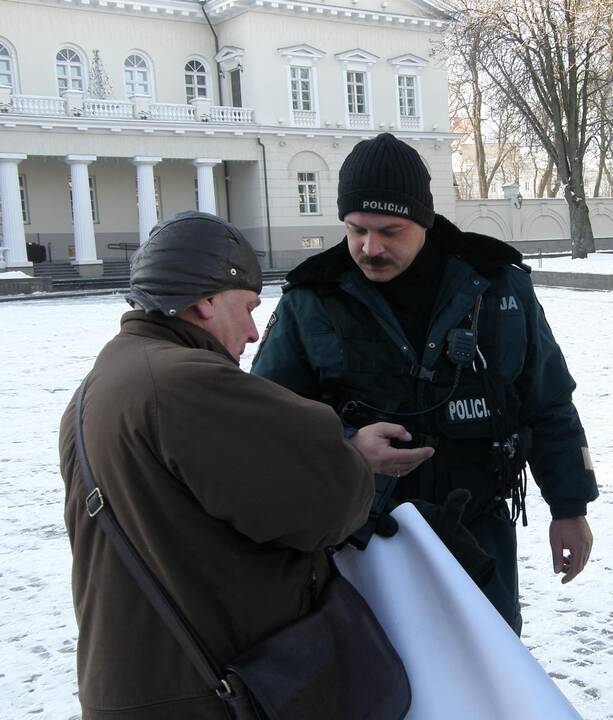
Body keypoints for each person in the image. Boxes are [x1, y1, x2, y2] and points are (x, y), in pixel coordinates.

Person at [60, 211, 431, 719]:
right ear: (207, 301)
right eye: (249, 307)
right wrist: (351, 461)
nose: (256, 332)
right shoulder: (188, 384)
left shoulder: (105, 381)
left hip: (138, 685)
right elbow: (325, 510)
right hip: (206, 692)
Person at [252, 133, 598, 634]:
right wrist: (345, 449)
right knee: (378, 692)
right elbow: (264, 423)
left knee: (487, 684)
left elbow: (548, 401)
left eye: (390, 231)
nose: (370, 248)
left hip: (478, 532)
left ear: (425, 220)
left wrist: (569, 506)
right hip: (359, 541)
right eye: (356, 230)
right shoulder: (314, 298)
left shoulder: (495, 283)